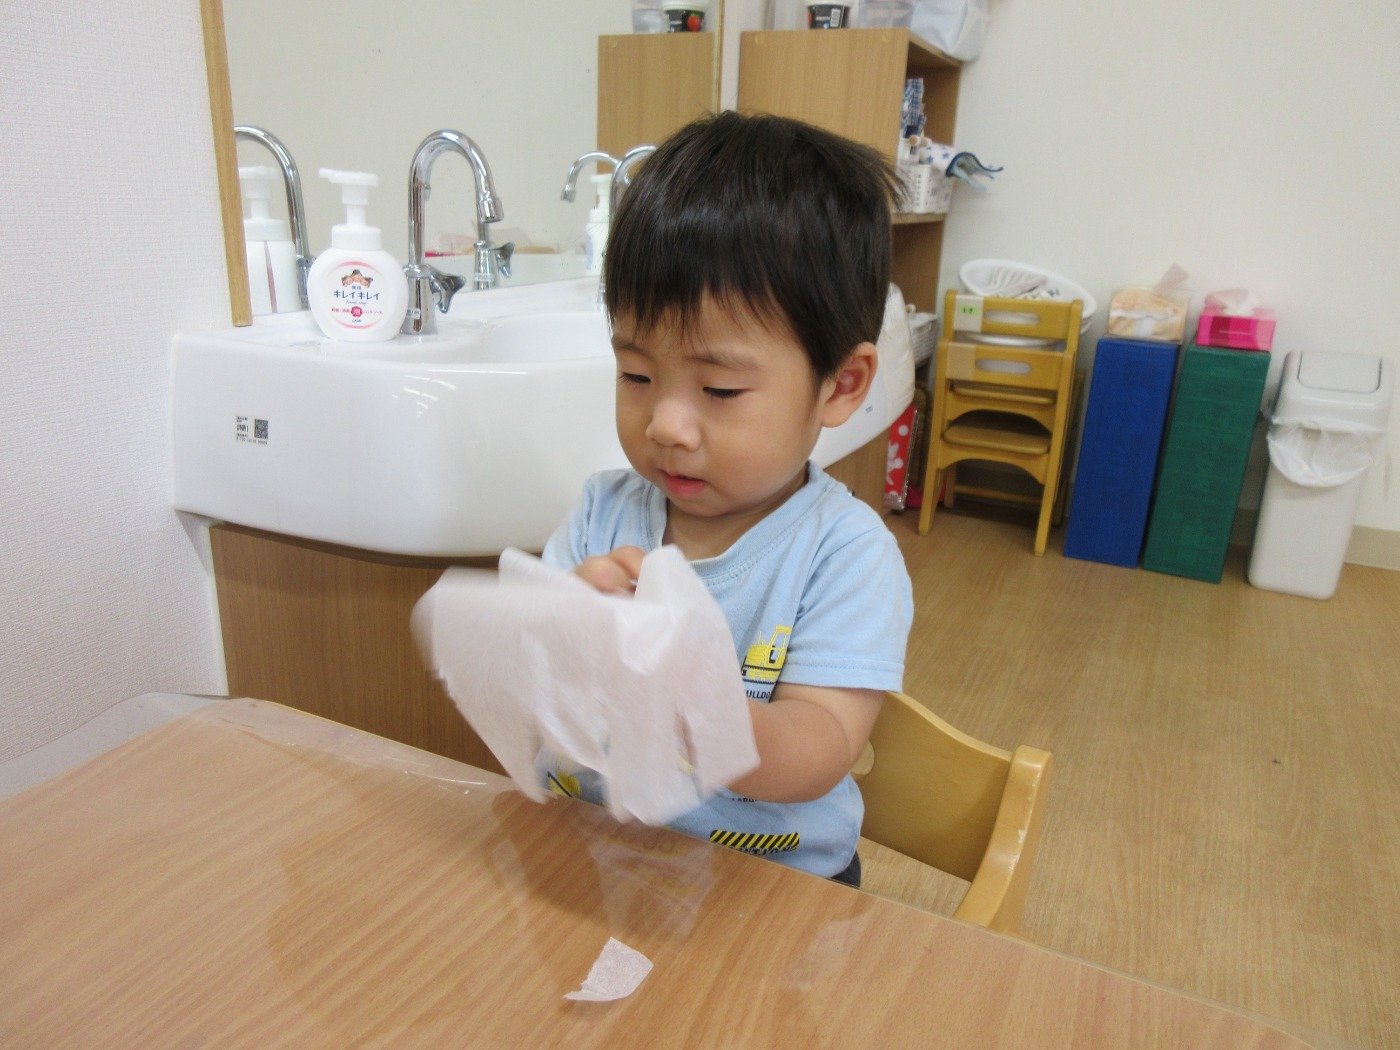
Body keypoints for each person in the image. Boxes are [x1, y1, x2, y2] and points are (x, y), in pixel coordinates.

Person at [541, 111, 914, 886]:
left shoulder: (843, 555)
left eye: (719, 389)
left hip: (768, 882)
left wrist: (696, 703)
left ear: (840, 385)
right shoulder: (602, 515)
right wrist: (562, 633)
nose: (666, 425)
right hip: (593, 852)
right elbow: (533, 690)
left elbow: (820, 748)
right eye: (637, 375)